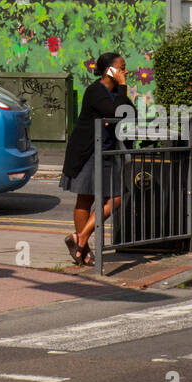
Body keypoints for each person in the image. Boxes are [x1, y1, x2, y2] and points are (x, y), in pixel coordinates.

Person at [60, 51, 134, 266]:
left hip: (108, 152)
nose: (125, 71)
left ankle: (80, 238)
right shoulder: (95, 91)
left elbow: (128, 112)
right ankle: (84, 251)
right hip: (88, 152)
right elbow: (116, 112)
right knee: (86, 199)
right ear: (108, 70)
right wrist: (119, 98)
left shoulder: (114, 93)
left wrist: (116, 109)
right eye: (121, 68)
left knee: (116, 198)